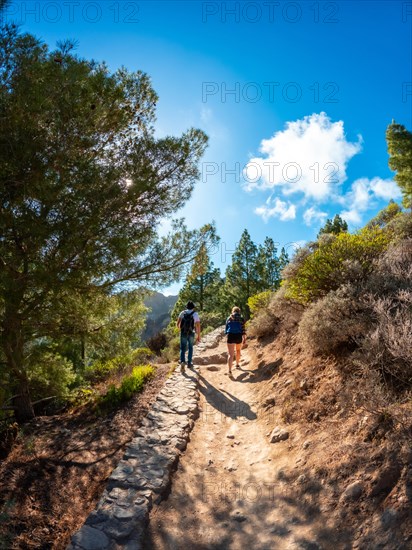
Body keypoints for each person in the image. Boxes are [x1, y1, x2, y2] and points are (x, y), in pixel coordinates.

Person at [177, 301, 201, 370]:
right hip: (191, 333)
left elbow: (177, 324)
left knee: (182, 348)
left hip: (183, 333)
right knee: (190, 347)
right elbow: (198, 325)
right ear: (193, 307)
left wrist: (181, 330)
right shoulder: (195, 314)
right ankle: (189, 363)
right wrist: (198, 335)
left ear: (186, 307)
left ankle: (182, 361)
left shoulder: (182, 313)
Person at [225, 306, 246, 377]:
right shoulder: (241, 318)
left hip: (230, 335)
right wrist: (244, 338)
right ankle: (237, 364)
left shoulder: (229, 318)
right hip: (238, 336)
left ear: (232, 311)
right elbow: (243, 329)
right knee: (238, 350)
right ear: (239, 311)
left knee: (230, 354)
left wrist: (227, 336)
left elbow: (226, 329)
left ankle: (229, 371)